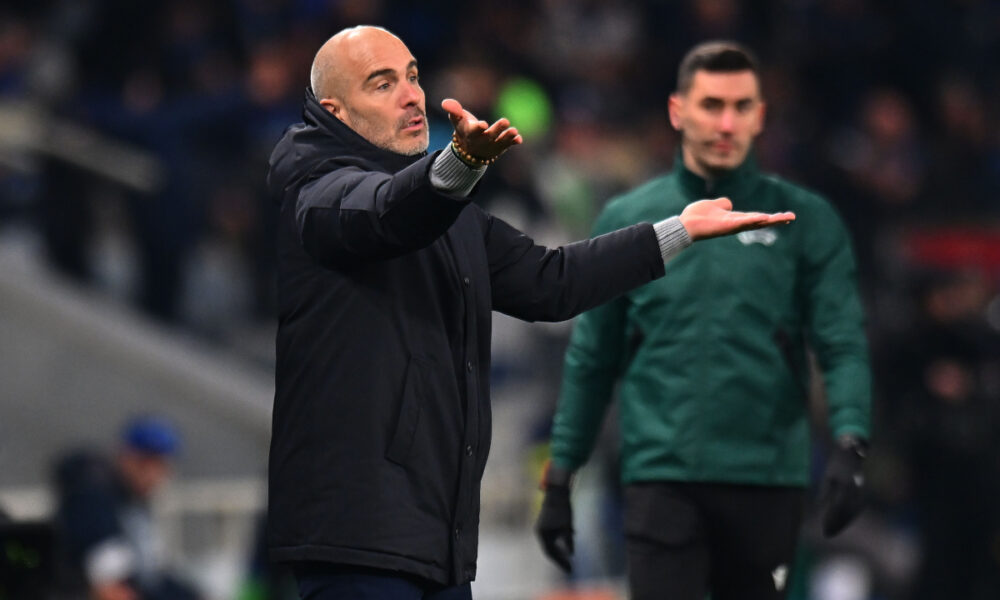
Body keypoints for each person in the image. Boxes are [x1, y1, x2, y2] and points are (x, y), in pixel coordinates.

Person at [266, 26, 794, 600]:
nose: (412, 95)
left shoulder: (453, 219)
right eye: (382, 83)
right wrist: (459, 167)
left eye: (413, 76)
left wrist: (677, 231)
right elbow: (385, 215)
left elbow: (553, 283)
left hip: (437, 545)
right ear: (335, 111)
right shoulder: (318, 193)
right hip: (357, 540)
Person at [535, 41, 871, 600]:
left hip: (768, 479)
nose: (726, 121)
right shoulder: (628, 220)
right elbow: (593, 357)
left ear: (761, 116)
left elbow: (843, 344)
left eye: (742, 107)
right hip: (661, 479)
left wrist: (851, 442)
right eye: (711, 104)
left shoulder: (807, 222)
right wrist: (562, 475)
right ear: (677, 111)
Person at [51, 415, 200, 600]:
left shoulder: (133, 502)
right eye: (145, 464)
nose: (153, 475)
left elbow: (150, 574)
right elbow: (112, 588)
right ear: (125, 457)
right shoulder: (92, 501)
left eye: (160, 466)